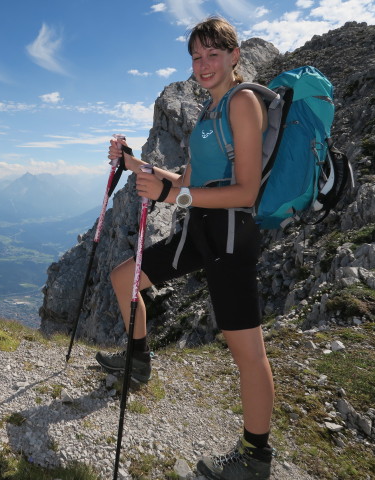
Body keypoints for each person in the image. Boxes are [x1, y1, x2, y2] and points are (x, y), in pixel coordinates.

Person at [95, 16, 275, 480]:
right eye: (196, 56)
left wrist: (176, 197)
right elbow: (184, 182)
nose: (203, 64)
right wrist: (133, 161)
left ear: (235, 57)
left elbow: (247, 191)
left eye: (213, 53)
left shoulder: (244, 102)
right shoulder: (209, 112)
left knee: (247, 353)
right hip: (201, 230)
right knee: (124, 278)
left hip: (231, 235)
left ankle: (255, 457)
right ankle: (138, 362)